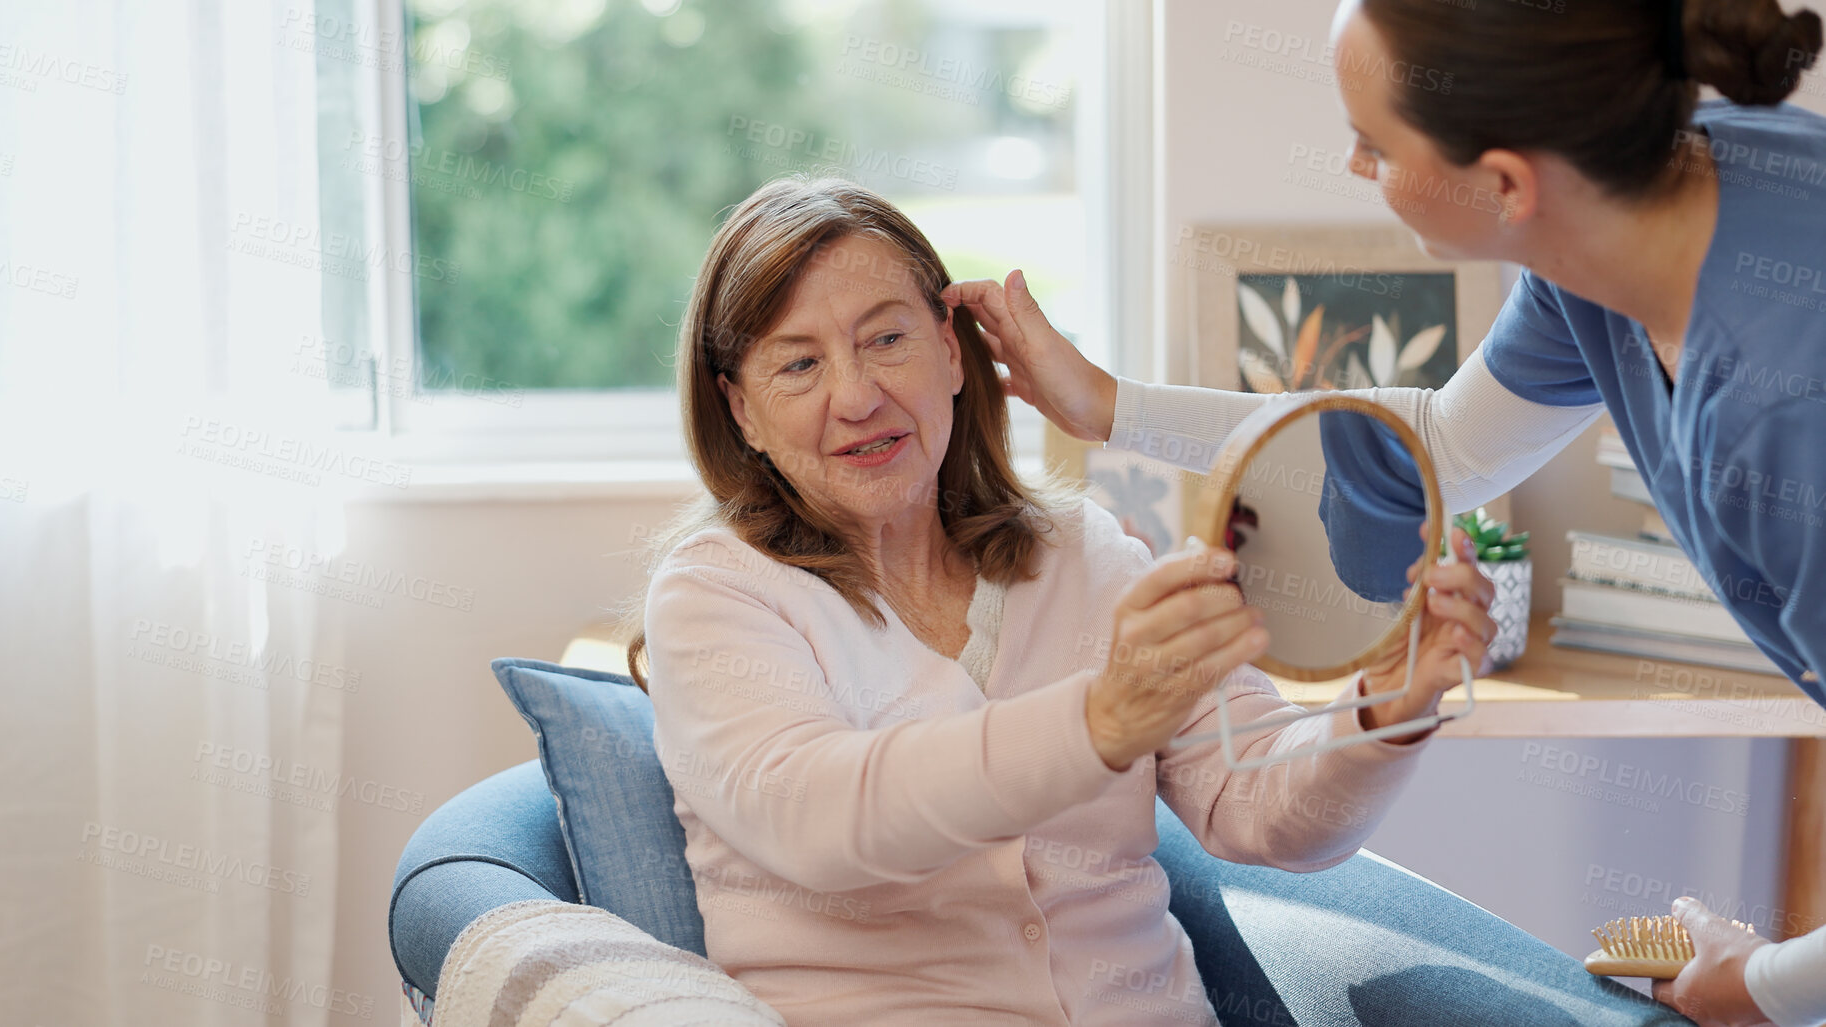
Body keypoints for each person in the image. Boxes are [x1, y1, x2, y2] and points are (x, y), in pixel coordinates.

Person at [943, 1, 1826, 1023]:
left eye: (1372, 143)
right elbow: (1433, 446)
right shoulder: (1618, 224)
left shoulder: (1777, 415)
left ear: (1503, 182)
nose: (1356, 166)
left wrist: (1758, 989)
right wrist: (1109, 406)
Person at [617, 175, 1494, 1025]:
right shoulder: (715, 594)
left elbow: (1257, 807)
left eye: (886, 340)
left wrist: (1383, 709)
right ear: (739, 411)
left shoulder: (1086, 555)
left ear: (954, 352)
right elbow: (818, 818)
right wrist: (1103, 718)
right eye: (798, 364)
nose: (855, 396)